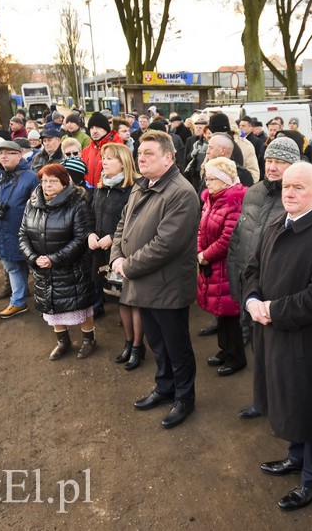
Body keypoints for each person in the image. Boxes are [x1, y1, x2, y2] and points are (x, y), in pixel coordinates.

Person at [243, 161, 312, 511]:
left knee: (310, 406)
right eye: (287, 186)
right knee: (287, 399)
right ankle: (296, 456)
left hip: (311, 344)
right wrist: (252, 299)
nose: (289, 192)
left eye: (299, 187)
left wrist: (273, 310)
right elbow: (252, 269)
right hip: (276, 336)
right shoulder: (277, 224)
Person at [227, 138, 312, 420]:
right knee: (258, 352)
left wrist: (275, 306)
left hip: (287, 304)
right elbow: (240, 238)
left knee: (287, 366)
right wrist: (245, 292)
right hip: (255, 290)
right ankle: (262, 400)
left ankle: (280, 408)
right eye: (269, 161)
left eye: (280, 162)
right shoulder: (254, 193)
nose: (273, 167)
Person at [110, 130, 200, 429]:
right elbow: (123, 223)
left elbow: (166, 244)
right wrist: (115, 258)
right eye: (140, 153)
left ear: (169, 157)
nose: (142, 158)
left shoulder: (181, 193)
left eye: (149, 154)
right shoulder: (142, 185)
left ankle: (184, 398)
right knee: (157, 343)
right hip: (141, 283)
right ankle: (165, 387)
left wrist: (127, 266)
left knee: (176, 346)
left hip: (167, 286)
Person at [19, 163, 96, 360]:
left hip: (71, 267)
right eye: (44, 181)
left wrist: (54, 259)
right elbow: (23, 234)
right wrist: (34, 258)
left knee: (80, 306)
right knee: (51, 306)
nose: (47, 185)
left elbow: (81, 238)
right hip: (42, 267)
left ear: (64, 182)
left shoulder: (77, 203)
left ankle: (89, 339)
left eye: (53, 181)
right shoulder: (32, 203)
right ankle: (63, 341)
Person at [88, 144, 141, 368]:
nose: (104, 162)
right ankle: (128, 342)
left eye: (110, 158)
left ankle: (138, 346)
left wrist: (112, 237)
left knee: (132, 300)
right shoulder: (101, 187)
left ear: (123, 162)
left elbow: (136, 222)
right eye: (103, 158)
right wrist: (90, 233)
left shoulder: (133, 188)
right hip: (101, 253)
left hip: (124, 251)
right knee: (117, 297)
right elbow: (91, 214)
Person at [197, 157, 248, 376]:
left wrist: (205, 255)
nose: (207, 183)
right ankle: (224, 350)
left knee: (230, 316)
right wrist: (200, 251)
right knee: (220, 313)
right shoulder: (211, 199)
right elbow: (201, 229)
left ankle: (236, 357)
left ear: (225, 180)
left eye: (212, 179)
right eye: (207, 178)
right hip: (211, 265)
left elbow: (228, 239)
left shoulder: (233, 202)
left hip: (226, 267)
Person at [0, 141, 39, 319]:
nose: (4, 156)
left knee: (37, 269)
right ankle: (18, 302)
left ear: (19, 155)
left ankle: (46, 302)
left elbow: (38, 208)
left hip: (27, 235)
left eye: (9, 153)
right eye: (1, 153)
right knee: (12, 268)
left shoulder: (31, 177)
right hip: (2, 233)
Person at [82, 112, 125, 193]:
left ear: (106, 128)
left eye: (98, 127)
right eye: (91, 127)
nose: (94, 131)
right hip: (90, 196)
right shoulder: (86, 150)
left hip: (111, 193)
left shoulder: (117, 147)